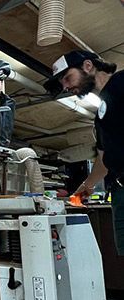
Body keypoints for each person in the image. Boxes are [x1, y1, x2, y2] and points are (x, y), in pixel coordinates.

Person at [51, 50, 123, 252]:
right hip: (119, 191)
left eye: (67, 78)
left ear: (88, 66)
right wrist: (86, 186)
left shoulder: (121, 82)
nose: (65, 87)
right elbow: (103, 159)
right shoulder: (100, 115)